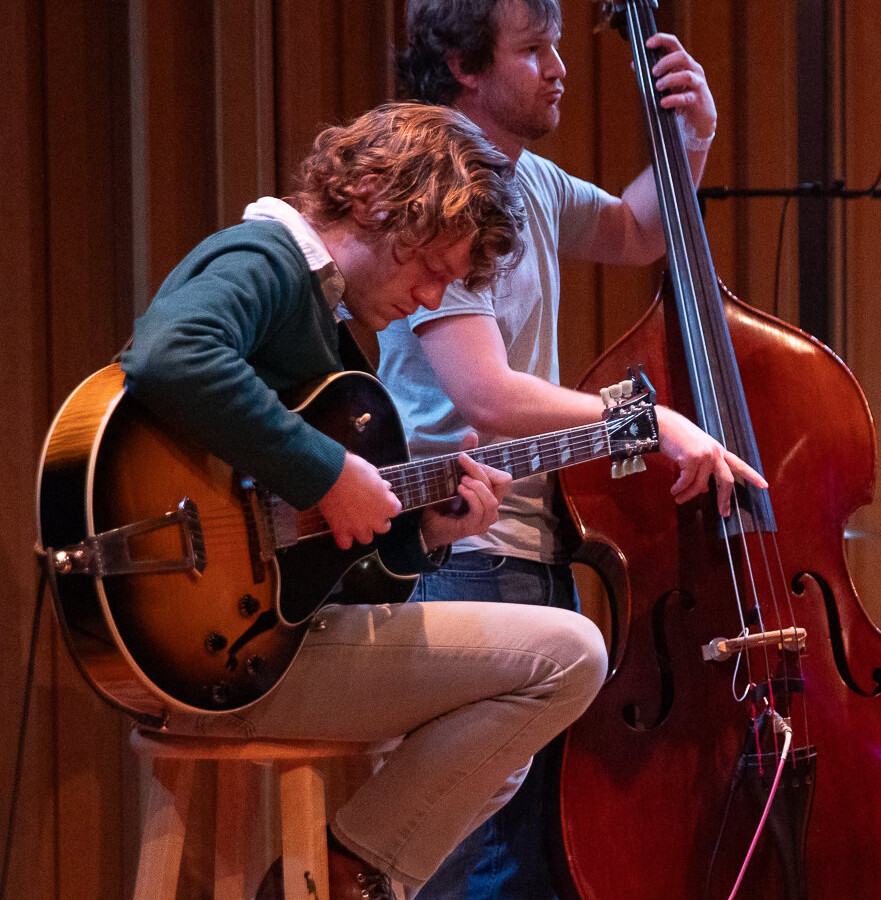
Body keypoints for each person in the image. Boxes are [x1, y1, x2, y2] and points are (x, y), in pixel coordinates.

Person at [120, 101, 610, 900]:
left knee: (500, 751)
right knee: (569, 656)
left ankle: (346, 873)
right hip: (224, 652)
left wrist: (428, 533)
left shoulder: (330, 326)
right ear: (381, 200)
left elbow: (316, 554)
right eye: (429, 271)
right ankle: (345, 874)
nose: (426, 300)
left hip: (258, 635)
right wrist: (326, 474)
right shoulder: (266, 259)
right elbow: (172, 354)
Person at [381, 1, 763, 897]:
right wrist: (643, 419)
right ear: (464, 64)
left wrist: (693, 139)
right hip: (460, 548)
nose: (559, 68)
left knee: (522, 864)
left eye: (559, 46)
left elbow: (633, 233)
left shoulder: (531, 179)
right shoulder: (438, 189)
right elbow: (484, 393)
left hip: (527, 549)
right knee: (466, 858)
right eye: (533, 51)